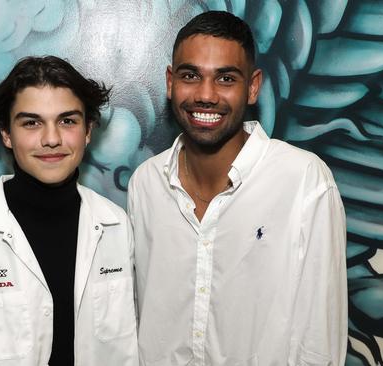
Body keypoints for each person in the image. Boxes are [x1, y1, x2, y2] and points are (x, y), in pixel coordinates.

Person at [128, 11, 347, 366]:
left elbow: (320, 342)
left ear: (253, 86)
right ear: (170, 82)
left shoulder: (304, 180)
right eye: (190, 76)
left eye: (226, 78)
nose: (206, 95)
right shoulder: (146, 183)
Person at [0, 56, 138, 366]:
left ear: (88, 130)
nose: (51, 139)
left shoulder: (117, 227)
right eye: (31, 122)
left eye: (67, 121)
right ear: (6, 133)